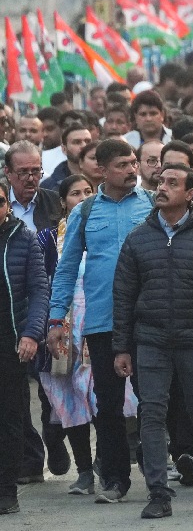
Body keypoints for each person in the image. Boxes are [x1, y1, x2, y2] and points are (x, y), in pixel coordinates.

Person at [112, 163, 193, 519]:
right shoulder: (139, 238)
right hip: (150, 340)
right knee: (150, 412)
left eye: (172, 183)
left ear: (189, 193)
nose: (161, 188)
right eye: (160, 181)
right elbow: (123, 295)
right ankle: (158, 493)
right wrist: (122, 347)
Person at [46, 139, 153, 504]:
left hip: (150, 318)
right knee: (107, 403)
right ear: (102, 170)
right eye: (122, 164)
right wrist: (56, 320)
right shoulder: (86, 212)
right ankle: (115, 479)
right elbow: (65, 270)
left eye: (134, 162)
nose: (131, 169)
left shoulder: (153, 204)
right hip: (102, 322)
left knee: (153, 398)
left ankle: (158, 472)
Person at [35, 175, 97, 496]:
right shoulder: (46, 239)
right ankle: (84, 470)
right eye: (76, 193)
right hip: (60, 330)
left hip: (100, 326)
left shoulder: (102, 232)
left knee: (104, 398)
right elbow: (39, 284)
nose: (83, 198)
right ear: (63, 202)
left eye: (89, 192)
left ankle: (107, 463)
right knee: (71, 400)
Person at [0, 179, 50, 516]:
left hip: (10, 340)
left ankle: (6, 490)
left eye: (0, 201)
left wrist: (31, 334)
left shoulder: (23, 237)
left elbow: (38, 290)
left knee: (10, 417)